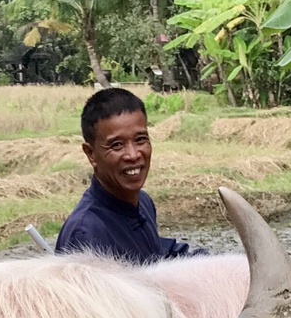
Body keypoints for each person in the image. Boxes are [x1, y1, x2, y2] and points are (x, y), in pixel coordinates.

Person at [54, 87, 202, 264]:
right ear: (91, 153)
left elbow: (158, 255)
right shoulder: (86, 235)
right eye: (116, 145)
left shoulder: (143, 202)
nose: (133, 155)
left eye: (140, 140)